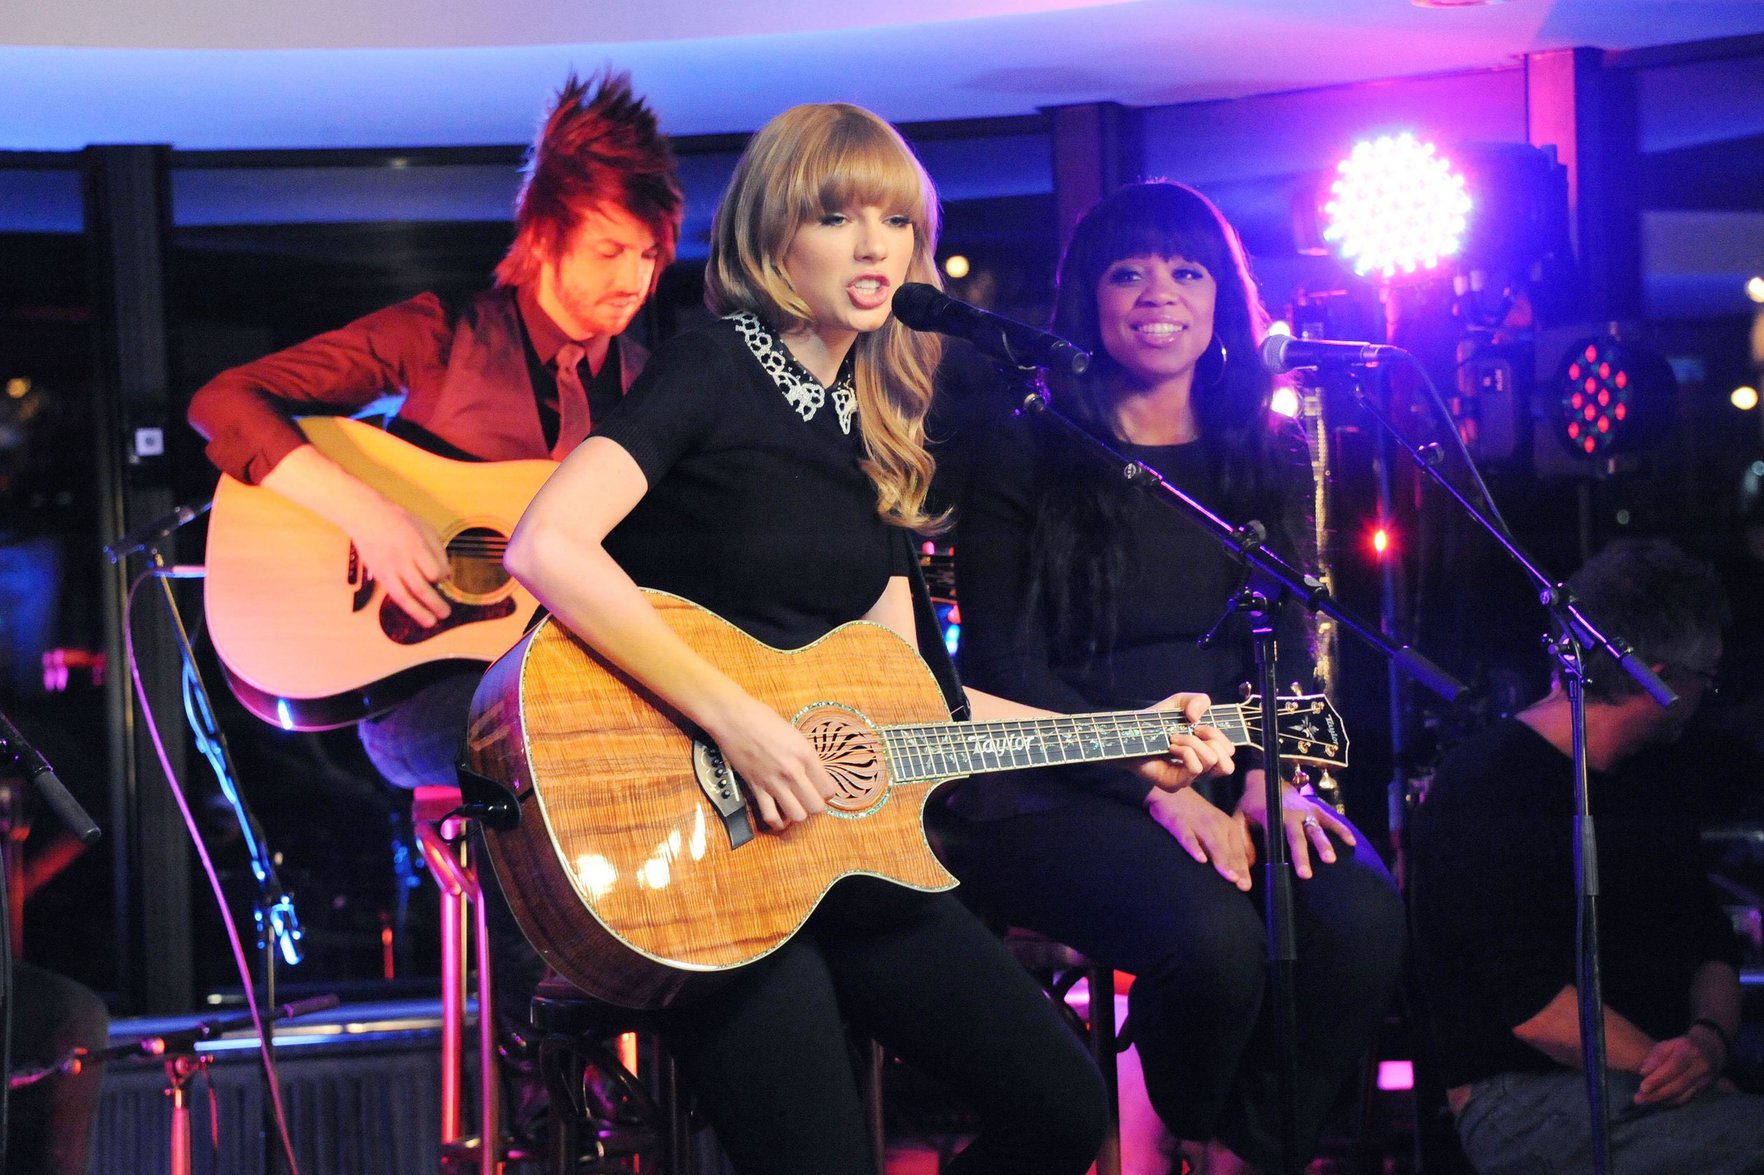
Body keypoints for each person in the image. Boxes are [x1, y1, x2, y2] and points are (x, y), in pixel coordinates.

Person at [502, 104, 1238, 1175]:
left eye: (895, 221)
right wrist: (741, 722)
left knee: (1061, 1107)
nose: (873, 245)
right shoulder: (714, 366)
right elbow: (547, 546)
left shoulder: (878, 421)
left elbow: (921, 701)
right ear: (772, 238)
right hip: (702, 854)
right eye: (838, 216)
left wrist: (1127, 741)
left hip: (836, 859)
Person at [186, 70, 683, 1130]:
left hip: (576, 700)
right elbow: (226, 401)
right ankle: (543, 1036)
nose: (632, 279)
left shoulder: (645, 386)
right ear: (543, 236)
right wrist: (367, 512)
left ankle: (673, 1034)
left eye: (647, 255)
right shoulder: (444, 334)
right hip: (413, 697)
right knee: (523, 741)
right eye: (608, 250)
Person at [937, 181, 1406, 1175]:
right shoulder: (1025, 445)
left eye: (1188, 269)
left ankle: (1242, 1150)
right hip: (1052, 775)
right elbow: (1003, 669)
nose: (1161, 292)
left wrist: (1270, 778)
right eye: (1130, 270)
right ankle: (1172, 1125)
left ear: (1222, 297)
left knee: (1361, 916)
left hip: (1224, 762)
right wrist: (1158, 782)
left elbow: (1290, 646)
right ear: (1090, 300)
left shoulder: (1264, 449)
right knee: (1216, 942)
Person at [1407, 537, 1764, 1174]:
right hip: (1522, 1094)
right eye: (1702, 681)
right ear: (1657, 677)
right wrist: (1685, 1073)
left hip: (1655, 1065)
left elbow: (1710, 940)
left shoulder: (1654, 774)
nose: (1705, 697)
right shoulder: (1486, 784)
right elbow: (1533, 1007)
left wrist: (1708, 1041)